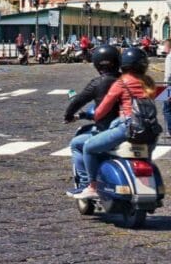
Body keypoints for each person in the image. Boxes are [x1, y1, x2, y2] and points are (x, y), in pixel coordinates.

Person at [75, 47, 157, 200]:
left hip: (127, 126)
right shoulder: (149, 83)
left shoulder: (122, 83)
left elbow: (102, 110)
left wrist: (90, 115)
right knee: (145, 158)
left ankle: (92, 186)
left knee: (88, 147)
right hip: (150, 130)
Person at [63, 45, 121, 196]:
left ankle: (87, 184)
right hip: (131, 130)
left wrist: (68, 115)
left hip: (109, 131)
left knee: (77, 144)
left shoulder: (97, 83)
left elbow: (78, 101)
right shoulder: (126, 80)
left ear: (96, 63)